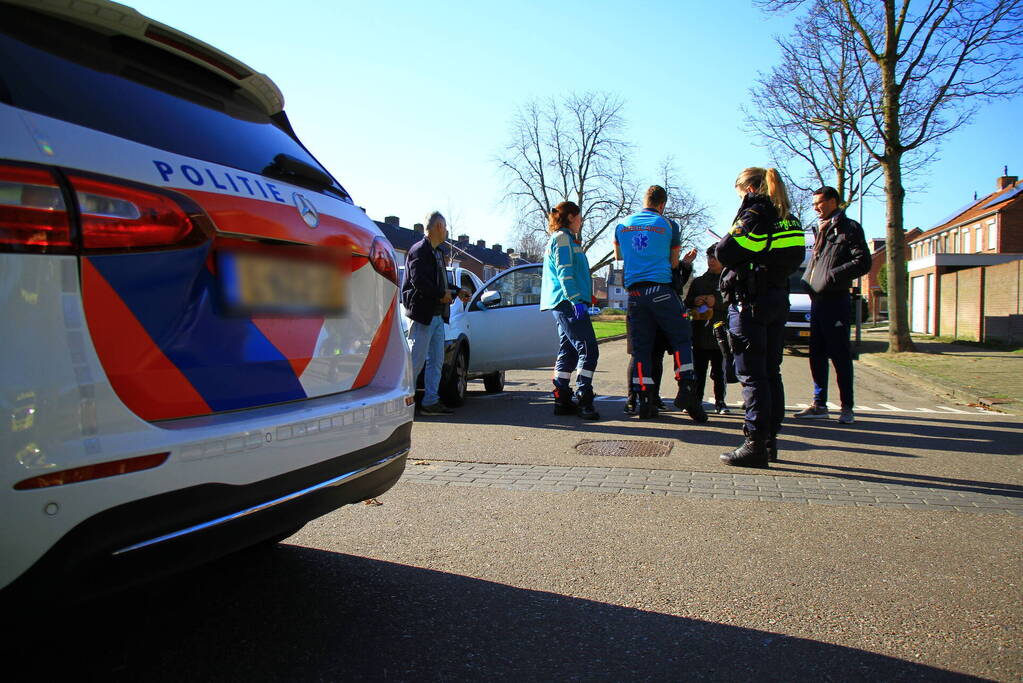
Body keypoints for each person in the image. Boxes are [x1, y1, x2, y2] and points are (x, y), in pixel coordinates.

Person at [715, 168, 805, 467]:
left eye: (739, 192)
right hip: (777, 299)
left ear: (750, 188)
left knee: (752, 376)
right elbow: (792, 257)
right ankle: (769, 442)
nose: (738, 197)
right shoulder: (789, 217)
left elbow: (726, 250)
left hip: (749, 302)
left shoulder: (754, 213)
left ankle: (754, 443)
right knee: (771, 372)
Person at [614, 185, 703, 422]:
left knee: (642, 348)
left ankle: (643, 397)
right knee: (681, 338)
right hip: (661, 290)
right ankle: (686, 388)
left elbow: (619, 257)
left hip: (634, 294)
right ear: (662, 204)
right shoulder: (668, 225)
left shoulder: (622, 225)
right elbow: (674, 263)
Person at [794, 186, 871, 424]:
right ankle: (819, 404)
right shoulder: (819, 229)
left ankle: (847, 407)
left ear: (834, 202)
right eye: (814, 203)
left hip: (836, 300)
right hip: (817, 301)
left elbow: (863, 261)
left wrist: (831, 276)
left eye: (819, 202)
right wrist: (808, 281)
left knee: (839, 356)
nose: (815, 207)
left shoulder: (849, 228)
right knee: (816, 354)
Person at [400, 211, 469, 416]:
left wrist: (456, 291)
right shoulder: (419, 251)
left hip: (438, 316)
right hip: (422, 316)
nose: (447, 231)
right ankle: (405, 404)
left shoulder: (438, 253)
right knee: (416, 361)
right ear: (439, 227)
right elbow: (419, 282)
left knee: (436, 361)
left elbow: (441, 282)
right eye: (445, 227)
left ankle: (431, 401)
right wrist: (441, 295)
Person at [540, 201, 600, 420]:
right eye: (580, 217)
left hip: (562, 302)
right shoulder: (563, 239)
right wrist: (576, 300)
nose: (581, 221)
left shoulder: (562, 239)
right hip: (567, 302)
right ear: (572, 217)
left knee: (569, 350)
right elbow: (565, 273)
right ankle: (585, 398)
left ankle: (562, 399)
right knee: (588, 348)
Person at [623, 249, 697, 414]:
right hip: (642, 311)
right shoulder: (641, 261)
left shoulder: (666, 264)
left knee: (655, 356)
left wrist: (684, 265)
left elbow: (677, 284)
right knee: (638, 354)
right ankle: (633, 397)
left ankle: (652, 397)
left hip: (661, 315)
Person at [685, 245, 730, 414]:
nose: (711, 261)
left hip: (720, 334)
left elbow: (733, 302)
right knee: (698, 371)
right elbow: (687, 302)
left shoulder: (729, 279)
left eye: (715, 258)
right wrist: (695, 300)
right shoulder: (699, 281)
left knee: (719, 372)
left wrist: (716, 302)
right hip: (700, 334)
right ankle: (696, 402)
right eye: (709, 257)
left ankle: (720, 402)